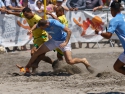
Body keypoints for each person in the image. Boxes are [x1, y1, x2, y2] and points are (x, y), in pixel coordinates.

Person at [24, 19, 94, 74]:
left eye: (43, 28)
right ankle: (27, 67)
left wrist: (66, 42)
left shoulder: (55, 23)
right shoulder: (42, 24)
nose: (42, 29)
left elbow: (69, 31)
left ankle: (83, 60)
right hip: (53, 41)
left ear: (47, 24)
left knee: (70, 61)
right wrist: (31, 30)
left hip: (63, 41)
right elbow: (36, 25)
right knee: (37, 52)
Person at [95, 1, 125, 75]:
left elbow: (108, 35)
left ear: (112, 9)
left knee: (117, 67)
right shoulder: (123, 16)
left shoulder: (114, 20)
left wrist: (99, 32)